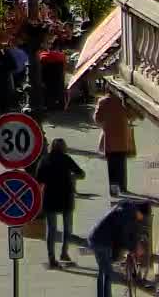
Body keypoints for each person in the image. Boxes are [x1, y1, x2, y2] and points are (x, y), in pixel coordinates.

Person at [35, 138, 84, 267]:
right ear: (64, 148)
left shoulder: (44, 160)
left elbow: (38, 179)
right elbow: (81, 173)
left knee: (51, 230)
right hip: (66, 198)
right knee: (67, 228)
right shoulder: (66, 159)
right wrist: (72, 177)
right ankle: (64, 253)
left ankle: (51, 258)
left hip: (50, 198)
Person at [88, 197, 149, 296]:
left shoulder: (127, 210)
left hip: (95, 237)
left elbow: (129, 232)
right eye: (142, 216)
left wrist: (132, 246)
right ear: (139, 212)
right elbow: (123, 235)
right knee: (108, 273)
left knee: (103, 270)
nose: (141, 219)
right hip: (102, 241)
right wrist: (133, 248)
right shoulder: (127, 215)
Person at [95, 90, 137, 195]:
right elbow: (132, 116)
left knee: (112, 166)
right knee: (121, 164)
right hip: (122, 137)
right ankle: (123, 188)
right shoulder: (124, 102)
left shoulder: (103, 101)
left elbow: (97, 118)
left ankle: (114, 190)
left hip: (109, 138)